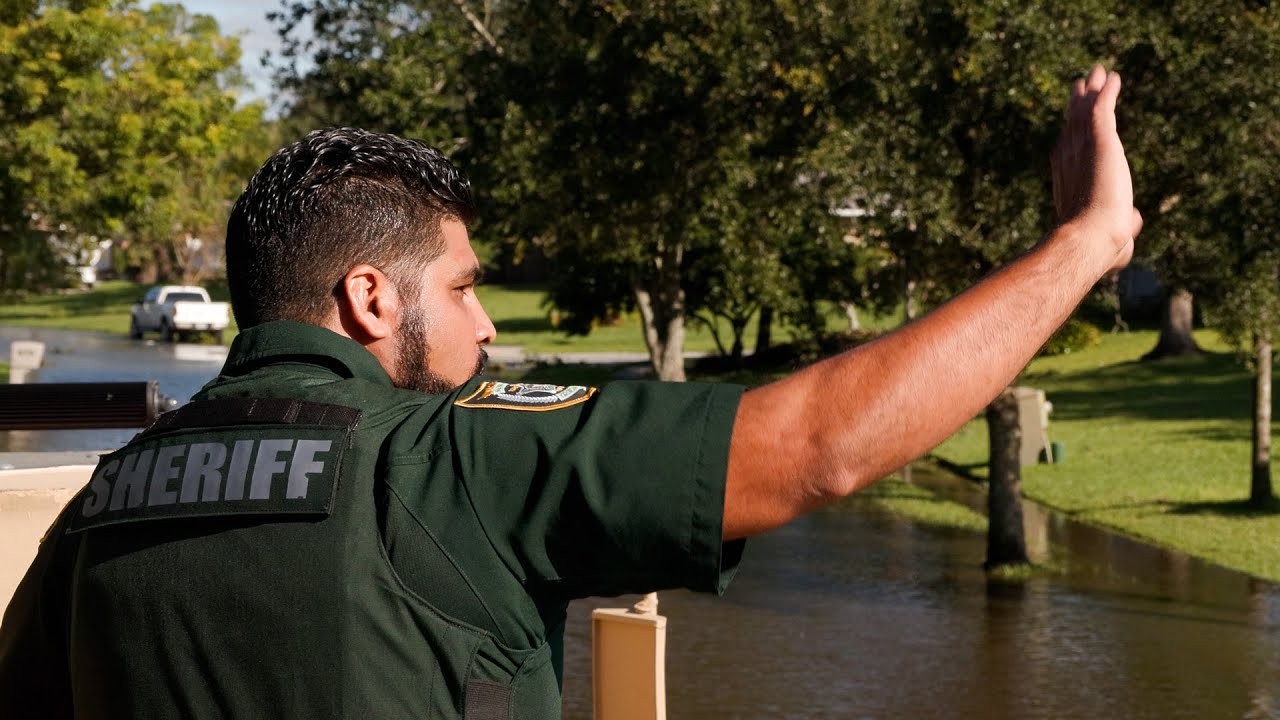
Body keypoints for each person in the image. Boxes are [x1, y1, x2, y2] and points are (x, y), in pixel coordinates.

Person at [0, 65, 1140, 718]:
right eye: (463, 288)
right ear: (370, 298)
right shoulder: (445, 457)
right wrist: (1087, 241)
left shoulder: (104, 505)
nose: (487, 324)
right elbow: (818, 445)